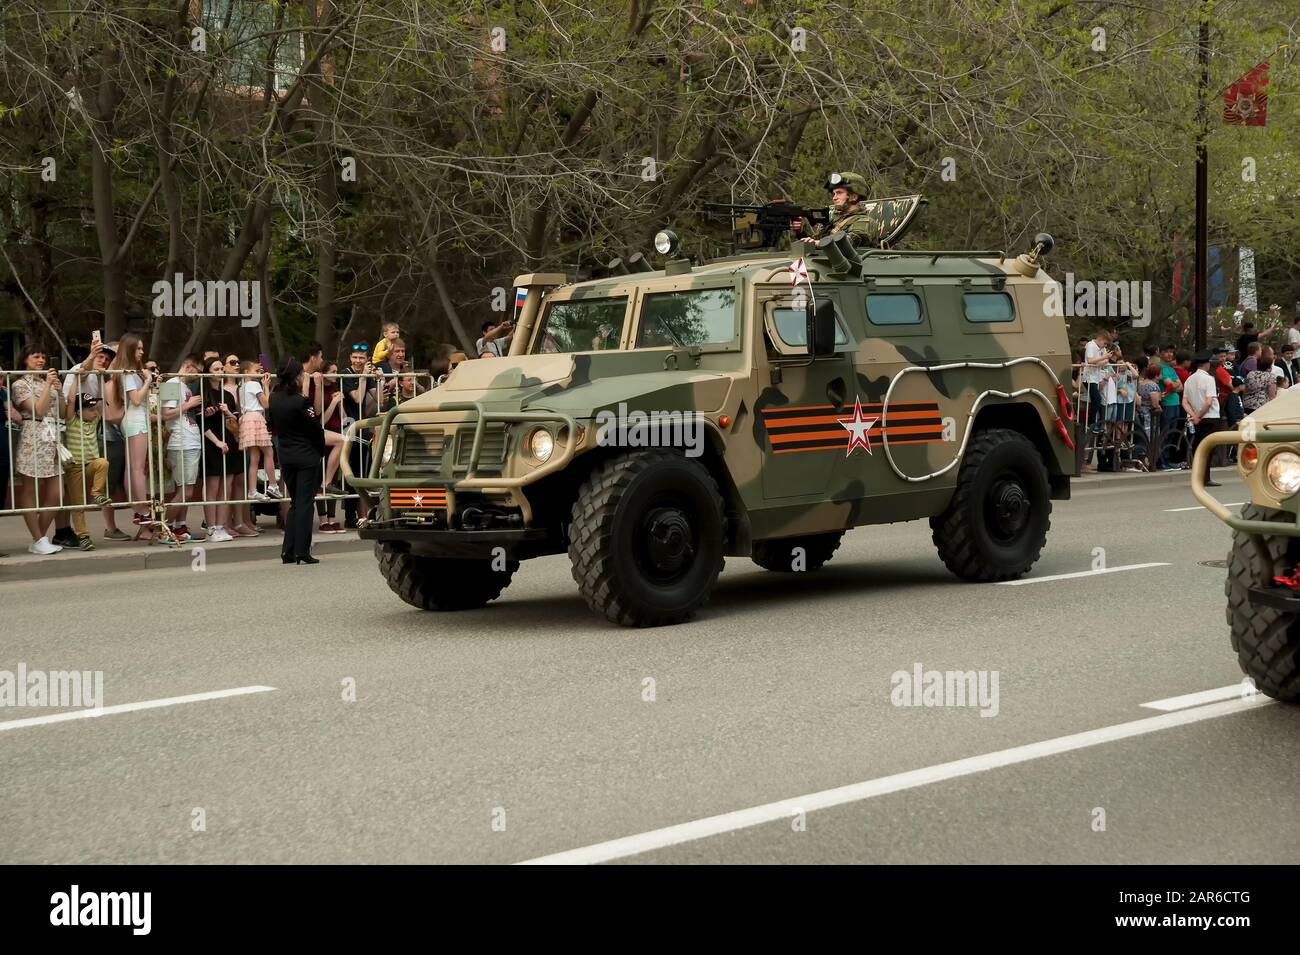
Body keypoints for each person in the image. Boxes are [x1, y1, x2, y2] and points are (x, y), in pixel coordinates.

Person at [11, 345, 69, 554]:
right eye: (36, 356)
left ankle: (39, 538)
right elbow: (38, 410)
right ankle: (38, 539)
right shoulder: (19, 383)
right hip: (33, 436)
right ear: (25, 359)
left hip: (52, 437)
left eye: (43, 356)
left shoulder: (49, 383)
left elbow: (62, 413)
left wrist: (59, 392)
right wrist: (47, 387)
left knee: (57, 493)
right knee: (30, 488)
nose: (41, 360)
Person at [268, 357, 325, 564]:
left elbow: (272, 424)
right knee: (305, 503)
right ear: (296, 377)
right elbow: (315, 429)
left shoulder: (273, 398)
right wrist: (320, 451)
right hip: (306, 455)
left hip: (286, 455)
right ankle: (302, 550)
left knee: (295, 502)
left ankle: (288, 550)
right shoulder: (301, 401)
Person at [58, 340, 114, 551]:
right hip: (73, 464)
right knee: (77, 503)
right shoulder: (74, 418)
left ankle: (97, 492)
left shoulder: (94, 417)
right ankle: (83, 536)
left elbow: (100, 405)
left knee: (102, 462)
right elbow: (72, 398)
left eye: (107, 360)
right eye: (101, 357)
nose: (104, 361)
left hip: (89, 462)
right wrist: (91, 357)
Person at [107, 334, 154, 526]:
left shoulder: (129, 372)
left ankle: (139, 508)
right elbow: (135, 399)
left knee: (132, 467)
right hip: (136, 419)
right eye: (139, 349)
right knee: (137, 467)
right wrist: (148, 381)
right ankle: (143, 510)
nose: (142, 352)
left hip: (135, 419)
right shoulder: (127, 373)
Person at [161, 356, 204, 541]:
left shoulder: (185, 387)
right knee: (185, 492)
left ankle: (180, 527)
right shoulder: (171, 384)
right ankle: (165, 528)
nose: (199, 376)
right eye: (198, 371)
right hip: (181, 442)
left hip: (190, 440)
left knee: (186, 490)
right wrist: (189, 404)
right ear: (187, 366)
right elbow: (165, 414)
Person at [199, 358, 238, 542]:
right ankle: (211, 527)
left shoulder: (227, 395)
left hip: (228, 442)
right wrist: (216, 442)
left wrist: (228, 412)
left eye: (222, 368)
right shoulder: (203, 395)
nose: (221, 371)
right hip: (212, 442)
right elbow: (201, 423)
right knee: (213, 486)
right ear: (208, 372)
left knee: (227, 486)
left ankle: (222, 525)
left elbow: (235, 422)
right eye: (216, 369)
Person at [339, 343, 378, 528]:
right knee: (351, 470)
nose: (358, 361)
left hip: (362, 428)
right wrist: (363, 377)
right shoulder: (346, 373)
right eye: (355, 357)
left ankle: (364, 513)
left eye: (361, 358)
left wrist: (379, 380)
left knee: (363, 471)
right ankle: (349, 515)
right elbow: (356, 397)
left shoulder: (366, 373)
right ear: (350, 358)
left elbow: (378, 399)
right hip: (348, 427)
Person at [792, 171, 877, 247]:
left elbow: (849, 241)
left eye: (839, 193)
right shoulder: (835, 220)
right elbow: (815, 241)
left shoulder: (865, 221)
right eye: (834, 194)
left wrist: (819, 243)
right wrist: (801, 232)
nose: (834, 198)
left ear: (853, 197)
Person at [237, 357, 281, 502]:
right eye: (256, 370)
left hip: (246, 418)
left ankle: (252, 490)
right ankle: (273, 485)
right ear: (246, 372)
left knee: (254, 458)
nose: (260, 372)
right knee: (269, 451)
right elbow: (266, 404)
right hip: (256, 417)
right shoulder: (254, 385)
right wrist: (266, 386)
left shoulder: (241, 387)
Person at [1184, 352, 1224, 487]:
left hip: (1197, 417)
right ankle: (1205, 477)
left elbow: (1184, 402)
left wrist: (1194, 415)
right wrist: (1200, 415)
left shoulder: (1189, 379)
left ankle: (1197, 476)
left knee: (1198, 448)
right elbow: (1208, 402)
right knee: (1209, 448)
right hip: (1210, 417)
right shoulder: (1209, 379)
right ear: (1206, 364)